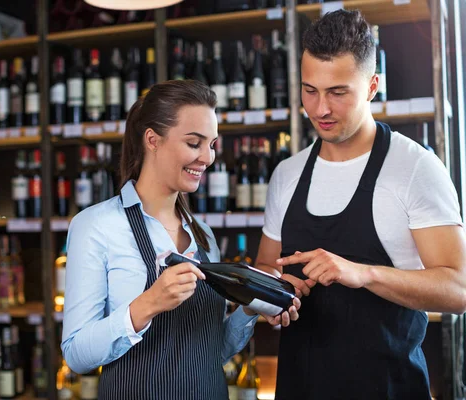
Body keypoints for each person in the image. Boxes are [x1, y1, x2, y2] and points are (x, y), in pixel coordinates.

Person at [254, 9, 466, 400]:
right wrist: (273, 293)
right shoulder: (287, 174)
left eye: (338, 92)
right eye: (309, 90)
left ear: (372, 86)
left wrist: (364, 274)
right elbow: (267, 266)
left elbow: (458, 287)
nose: (320, 109)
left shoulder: (414, 167)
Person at [61, 80, 298, 399]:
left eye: (212, 144)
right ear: (152, 140)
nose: (208, 157)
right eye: (194, 143)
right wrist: (148, 304)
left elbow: (213, 354)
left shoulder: (203, 236)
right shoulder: (97, 225)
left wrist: (251, 307)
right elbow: (76, 354)